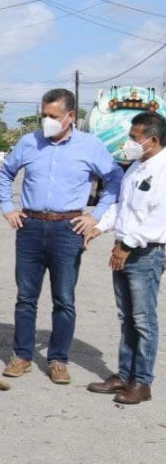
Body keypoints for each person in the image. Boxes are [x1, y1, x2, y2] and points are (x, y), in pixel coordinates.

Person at [0, 88, 122, 384]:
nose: (46, 121)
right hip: (30, 226)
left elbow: (115, 178)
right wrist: (7, 207)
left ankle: (58, 360)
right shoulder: (29, 142)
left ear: (70, 116)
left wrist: (95, 214)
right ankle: (22, 355)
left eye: (53, 116)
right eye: (44, 115)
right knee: (26, 297)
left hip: (68, 229)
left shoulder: (90, 146)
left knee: (64, 299)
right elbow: (4, 174)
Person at [84, 111, 166, 405]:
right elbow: (121, 207)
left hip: (146, 252)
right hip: (124, 248)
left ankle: (142, 382)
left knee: (143, 320)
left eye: (134, 138)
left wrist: (126, 245)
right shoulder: (135, 166)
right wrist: (99, 226)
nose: (128, 143)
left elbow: (158, 219)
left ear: (152, 140)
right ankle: (124, 374)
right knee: (127, 318)